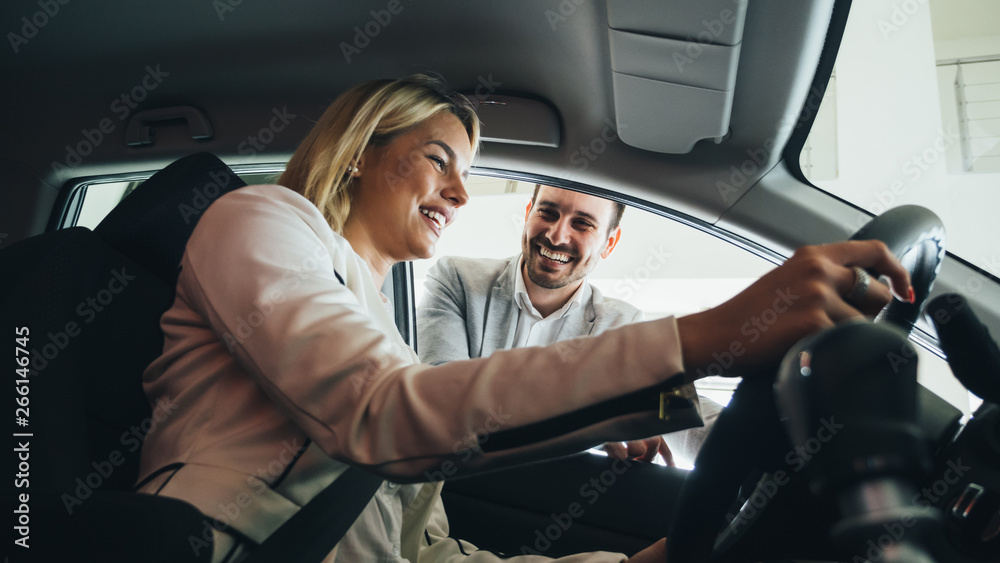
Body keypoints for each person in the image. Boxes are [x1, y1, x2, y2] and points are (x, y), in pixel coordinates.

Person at [134, 74, 914, 563]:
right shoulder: (259, 219)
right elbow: (380, 413)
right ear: (363, 150)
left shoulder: (380, 327)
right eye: (439, 158)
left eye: (467, 173)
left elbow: (432, 553)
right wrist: (708, 337)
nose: (462, 195)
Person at [417, 184, 724, 465]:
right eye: (547, 213)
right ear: (527, 214)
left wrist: (746, 447)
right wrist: (595, 423)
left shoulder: (620, 323)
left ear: (609, 242)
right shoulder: (455, 279)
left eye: (582, 223)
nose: (556, 235)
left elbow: (678, 406)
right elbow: (445, 399)